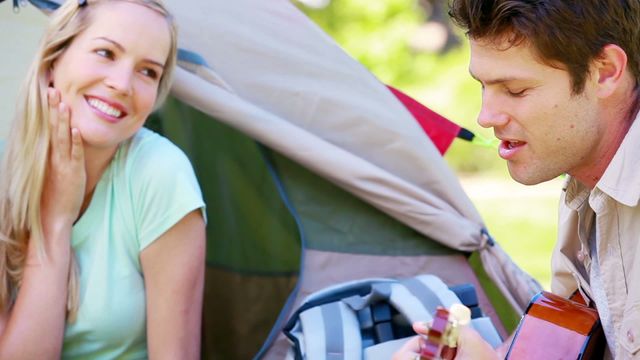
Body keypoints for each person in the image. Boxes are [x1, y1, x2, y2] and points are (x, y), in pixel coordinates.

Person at [395, 0, 640, 359]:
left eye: (515, 91)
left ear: (605, 72)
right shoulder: (585, 181)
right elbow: (558, 340)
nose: (485, 116)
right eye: (483, 86)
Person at [0, 0, 206, 358]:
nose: (122, 84)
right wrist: (54, 221)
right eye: (105, 52)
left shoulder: (161, 175)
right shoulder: (4, 171)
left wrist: (55, 223)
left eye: (148, 72)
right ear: (53, 61)